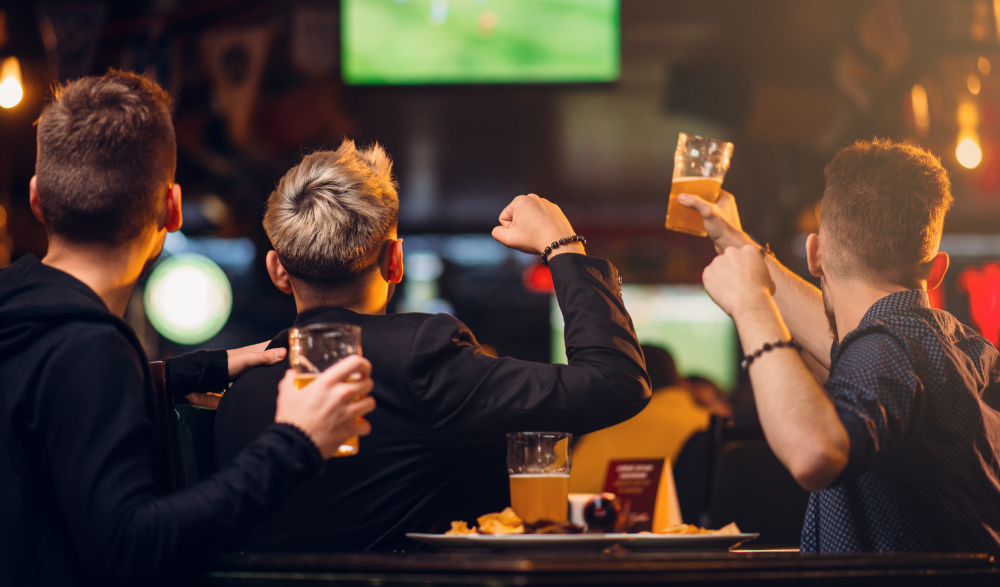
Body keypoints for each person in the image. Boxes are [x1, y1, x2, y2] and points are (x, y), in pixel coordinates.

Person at [0, 71, 376, 586]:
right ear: (172, 208)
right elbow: (135, 549)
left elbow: (43, 397)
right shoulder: (89, 348)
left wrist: (202, 368)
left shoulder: (19, 308)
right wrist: (296, 441)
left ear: (38, 198)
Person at [214, 140, 651, 551]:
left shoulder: (238, 393)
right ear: (396, 261)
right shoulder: (420, 356)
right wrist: (563, 246)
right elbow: (615, 382)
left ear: (277, 270)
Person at [682, 138, 1000, 553]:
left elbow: (814, 452)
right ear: (937, 269)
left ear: (814, 255)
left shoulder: (890, 346)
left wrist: (750, 305)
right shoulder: (966, 350)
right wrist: (736, 242)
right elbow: (847, 339)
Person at [569, 345, 710, 493]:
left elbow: (568, 491)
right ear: (679, 380)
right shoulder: (709, 423)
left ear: (624, 381)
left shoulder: (611, 428)